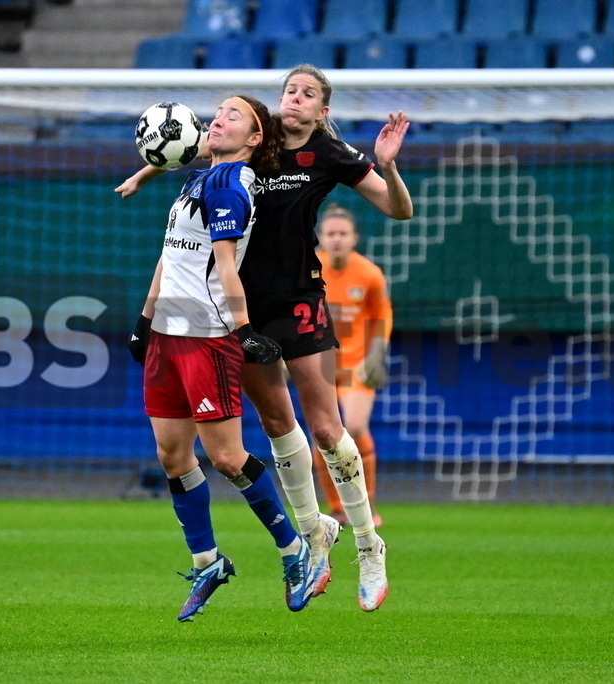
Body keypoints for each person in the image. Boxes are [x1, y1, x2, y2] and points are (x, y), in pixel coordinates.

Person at [117, 63, 412, 612]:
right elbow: (201, 150)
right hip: (242, 307)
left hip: (299, 301)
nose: (293, 98)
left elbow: (400, 210)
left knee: (326, 426)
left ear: (323, 110)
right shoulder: (262, 136)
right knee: (277, 424)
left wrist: (390, 169)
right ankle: (311, 536)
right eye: (288, 90)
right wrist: (144, 173)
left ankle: (370, 547)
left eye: (307, 94)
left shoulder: (330, 153)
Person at [127, 94, 318, 622]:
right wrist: (145, 321)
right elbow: (171, 255)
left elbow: (227, 266)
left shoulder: (233, 185)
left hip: (207, 335)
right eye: (217, 112)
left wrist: (244, 331)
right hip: (168, 333)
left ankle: (294, 551)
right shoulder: (198, 180)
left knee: (229, 459)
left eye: (234, 115)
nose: (218, 119)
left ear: (255, 140)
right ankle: (208, 562)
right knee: (171, 455)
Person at [314, 204, 392, 528]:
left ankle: (367, 502)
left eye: (342, 234)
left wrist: (376, 355)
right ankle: (337, 508)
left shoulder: (369, 273)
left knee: (355, 428)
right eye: (331, 233)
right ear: (319, 237)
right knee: (322, 437)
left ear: (354, 238)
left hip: (356, 367)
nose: (336, 239)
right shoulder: (308, 268)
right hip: (318, 365)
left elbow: (381, 316)